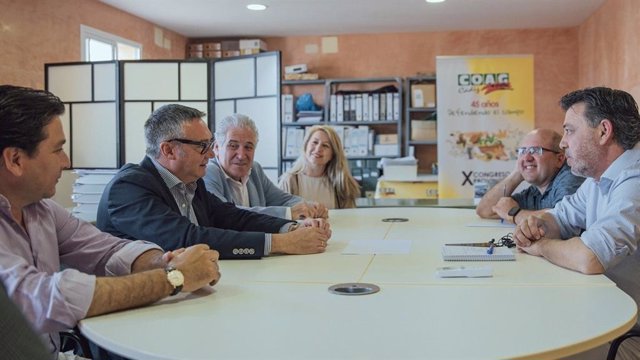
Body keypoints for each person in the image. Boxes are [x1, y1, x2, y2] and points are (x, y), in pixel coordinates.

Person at [0, 85, 221, 356]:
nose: (66, 162)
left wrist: (163, 261)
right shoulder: (130, 184)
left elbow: (108, 249)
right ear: (15, 160)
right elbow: (43, 299)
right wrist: (174, 278)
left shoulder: (41, 210)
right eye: (58, 150)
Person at [97, 104, 331, 259]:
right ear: (168, 150)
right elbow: (189, 238)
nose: (210, 155)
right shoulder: (129, 188)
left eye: (210, 145)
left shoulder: (190, 181)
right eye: (202, 146)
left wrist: (292, 227)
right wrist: (283, 243)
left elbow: (231, 216)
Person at [514, 87, 640, 358]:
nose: (563, 143)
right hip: (606, 315)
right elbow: (561, 216)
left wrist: (541, 246)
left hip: (628, 337)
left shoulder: (635, 178)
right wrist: (536, 225)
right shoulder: (599, 177)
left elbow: (590, 256)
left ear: (604, 131)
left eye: (570, 130)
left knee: (528, 341)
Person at [204, 114, 328, 220]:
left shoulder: (254, 169)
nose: (241, 155)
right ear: (216, 147)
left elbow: (283, 200)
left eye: (248, 147)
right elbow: (228, 214)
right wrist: (289, 213)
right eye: (233, 146)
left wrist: (309, 207)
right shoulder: (208, 172)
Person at [476, 128, 584, 224]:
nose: (527, 158)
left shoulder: (570, 177)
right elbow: (485, 210)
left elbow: (564, 217)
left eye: (535, 151)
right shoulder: (536, 190)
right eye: (522, 151)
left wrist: (515, 213)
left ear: (560, 159)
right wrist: (516, 174)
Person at [278, 125, 360, 209]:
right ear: (306, 146)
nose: (318, 149)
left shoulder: (341, 183)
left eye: (325, 145)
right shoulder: (289, 180)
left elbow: (349, 217)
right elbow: (280, 218)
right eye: (315, 142)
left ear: (333, 154)